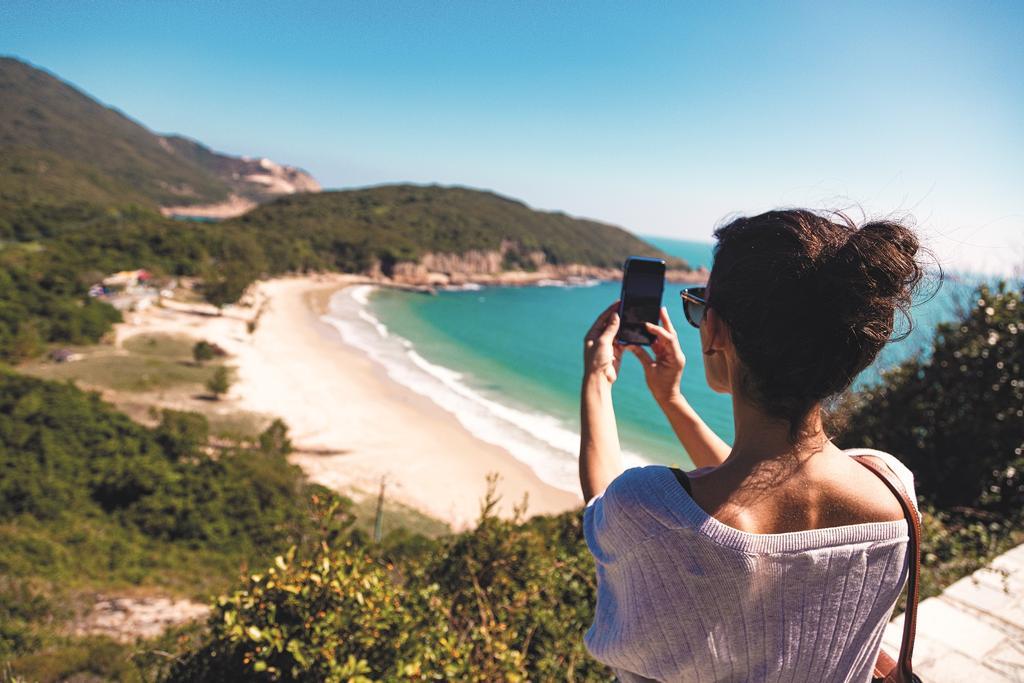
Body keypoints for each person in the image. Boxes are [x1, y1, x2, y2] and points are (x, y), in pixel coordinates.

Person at [579, 210, 930, 682]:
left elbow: (604, 507)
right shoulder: (892, 489)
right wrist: (671, 399)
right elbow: (765, 490)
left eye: (699, 307)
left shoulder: (650, 510)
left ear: (714, 330)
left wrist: (597, 379)